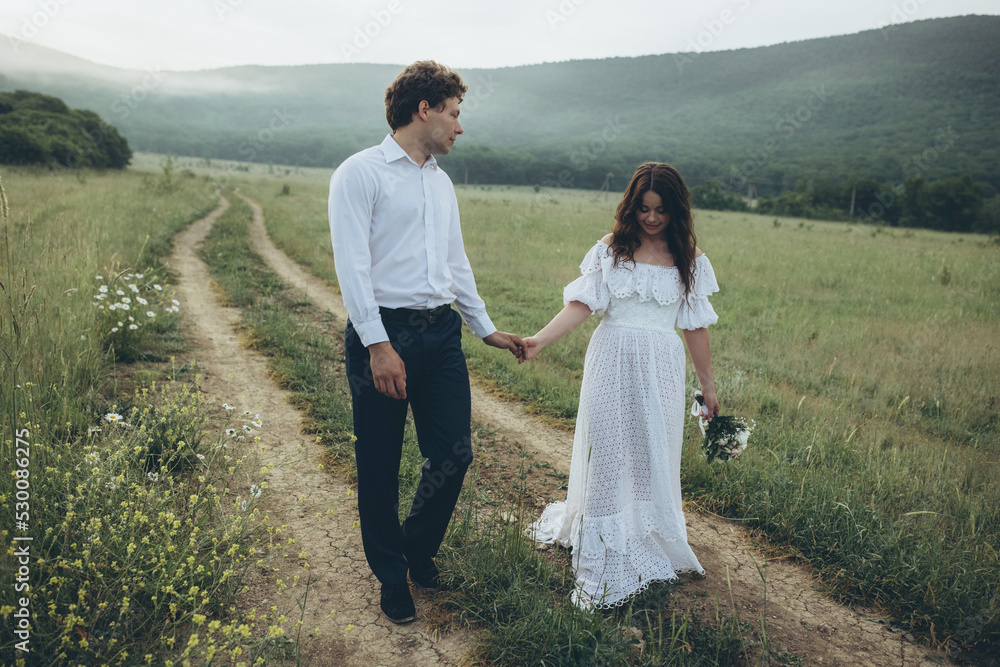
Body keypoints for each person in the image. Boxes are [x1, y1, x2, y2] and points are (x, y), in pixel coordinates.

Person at [328, 61, 525, 624]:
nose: (459, 127)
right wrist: (377, 343)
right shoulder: (359, 174)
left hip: (440, 335)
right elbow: (353, 267)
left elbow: (454, 265)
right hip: (384, 332)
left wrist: (483, 327)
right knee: (380, 461)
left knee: (454, 452)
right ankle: (391, 575)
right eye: (455, 114)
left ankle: (417, 548)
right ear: (426, 108)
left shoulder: (441, 182)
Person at [522, 162, 720, 609]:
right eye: (644, 209)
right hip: (611, 359)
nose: (651, 218)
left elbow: (695, 327)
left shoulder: (688, 258)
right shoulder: (612, 249)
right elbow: (581, 304)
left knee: (652, 451)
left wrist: (708, 386)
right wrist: (538, 341)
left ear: (676, 212)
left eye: (661, 211)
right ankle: (601, 548)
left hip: (663, 368)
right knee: (609, 450)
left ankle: (644, 534)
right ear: (632, 207)